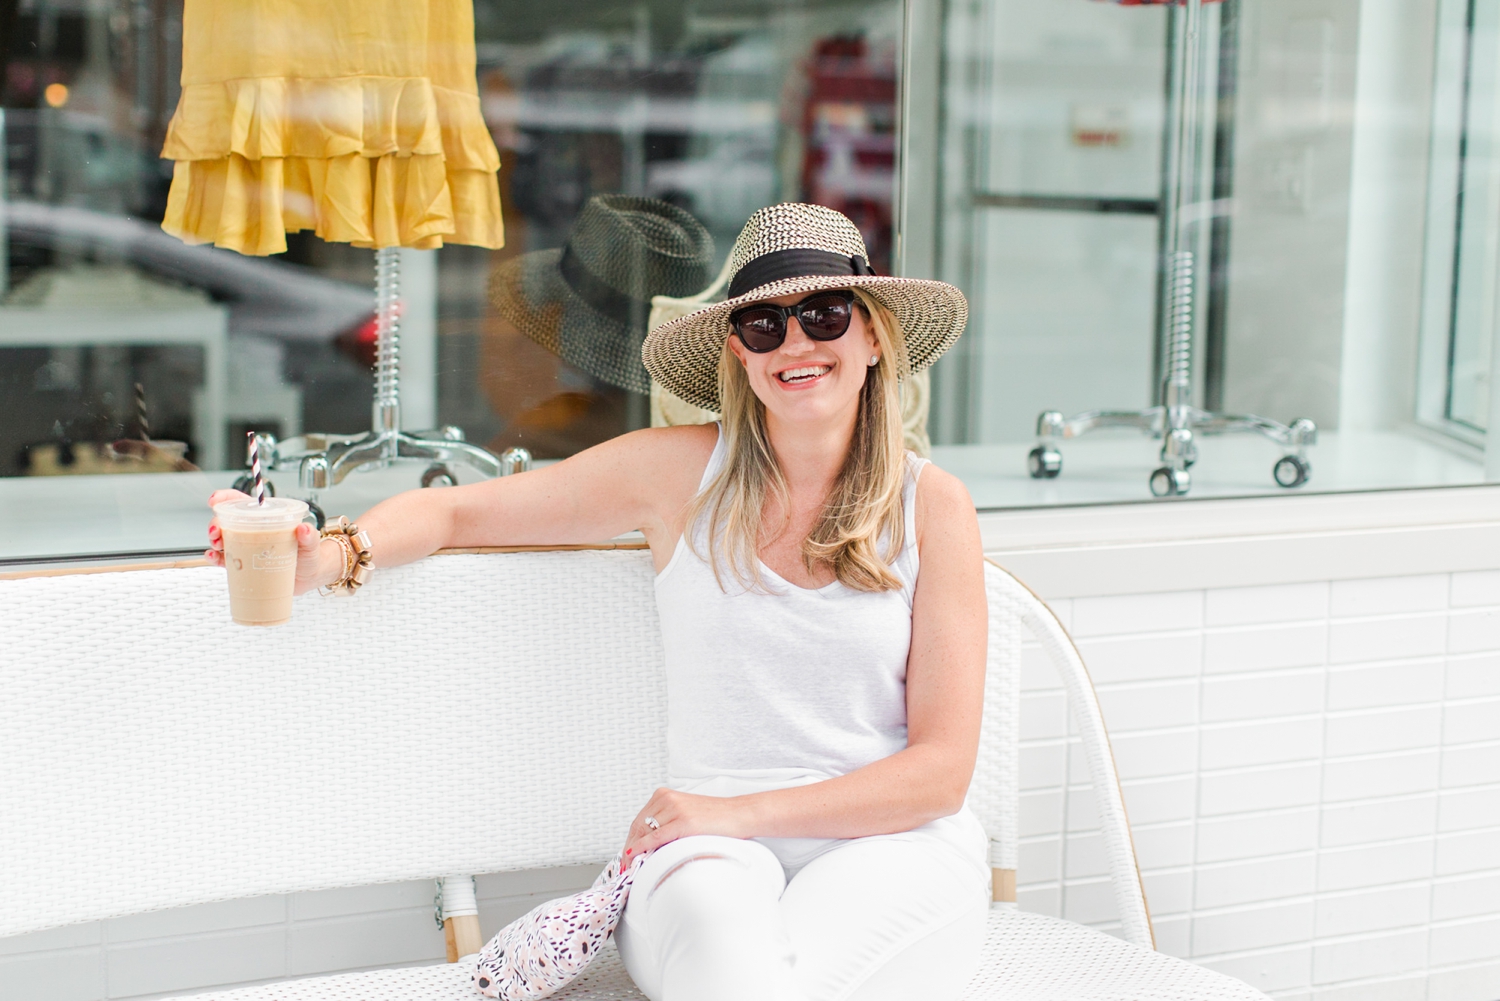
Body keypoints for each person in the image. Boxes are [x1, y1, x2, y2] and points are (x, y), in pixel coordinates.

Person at [206, 203, 988, 1001]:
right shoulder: (676, 475)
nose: (795, 343)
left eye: (824, 314)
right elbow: (456, 511)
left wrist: (745, 811)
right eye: (762, 323)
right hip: (701, 848)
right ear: (739, 353)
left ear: (872, 337)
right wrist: (329, 557)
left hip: (889, 840)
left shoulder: (933, 507)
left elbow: (940, 773)